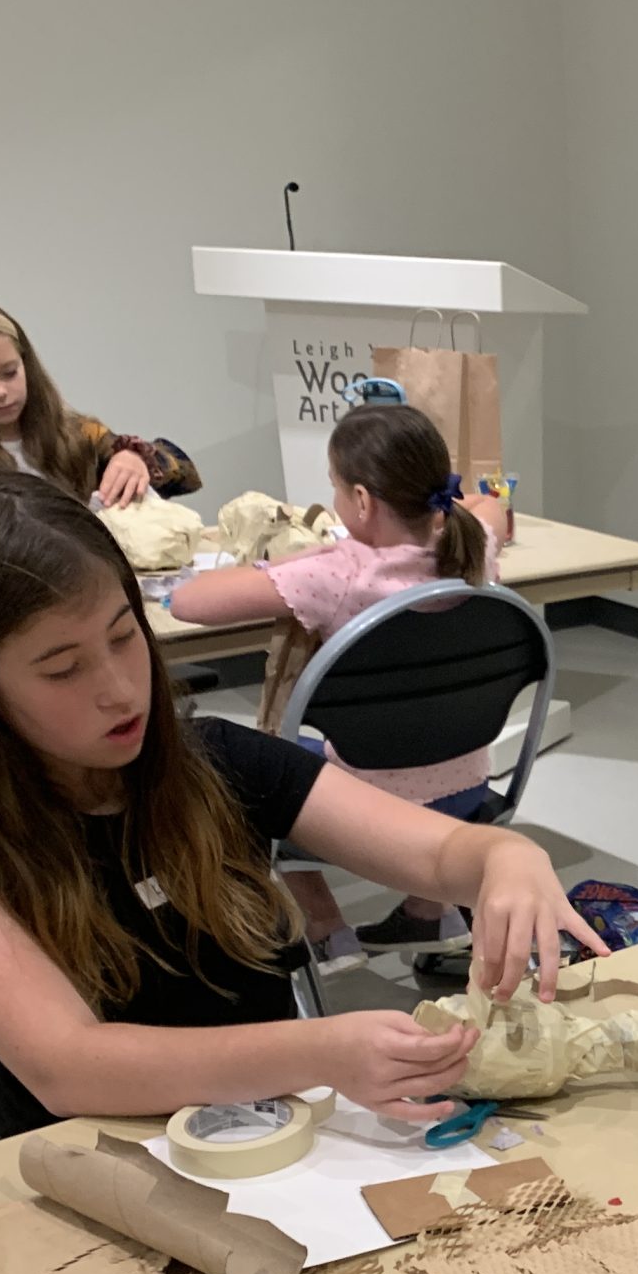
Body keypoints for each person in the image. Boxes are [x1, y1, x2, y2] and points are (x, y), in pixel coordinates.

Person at [0, 469, 602, 1137]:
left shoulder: (217, 762)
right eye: (62, 668)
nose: (120, 689)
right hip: (98, 1168)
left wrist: (506, 856)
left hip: (270, 1141)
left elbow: (442, 851)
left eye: (125, 636)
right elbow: (69, 1066)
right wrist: (318, 1049)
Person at [168, 404, 492, 965]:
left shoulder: (334, 574)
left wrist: (319, 550)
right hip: (469, 784)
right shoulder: (475, 549)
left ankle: (324, 926)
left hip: (363, 800)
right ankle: (428, 912)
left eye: (337, 489)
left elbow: (187, 602)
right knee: (410, 734)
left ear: (360, 502)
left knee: (246, 765)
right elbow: (490, 510)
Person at [0, 296, 198, 516]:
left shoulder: (77, 433)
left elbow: (185, 474)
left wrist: (134, 458)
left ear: (26, 365)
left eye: (9, 373)